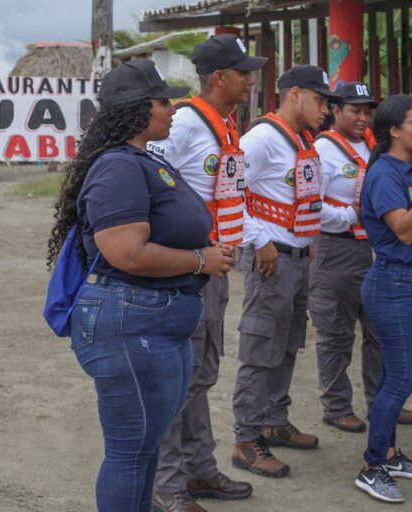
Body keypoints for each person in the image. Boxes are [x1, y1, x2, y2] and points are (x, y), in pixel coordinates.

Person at [46, 58, 234, 512]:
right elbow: (125, 252)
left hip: (152, 323)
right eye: (163, 101)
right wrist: (199, 259)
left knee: (145, 448)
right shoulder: (118, 167)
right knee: (130, 452)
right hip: (130, 324)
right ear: (136, 109)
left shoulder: (140, 159)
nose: (173, 109)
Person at [146, 34, 266, 512]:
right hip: (189, 269)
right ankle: (168, 485)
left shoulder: (226, 125)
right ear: (219, 77)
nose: (251, 80)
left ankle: (198, 471)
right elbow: (151, 185)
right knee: (181, 378)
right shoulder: (185, 124)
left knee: (203, 374)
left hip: (214, 268)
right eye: (243, 72)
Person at [231, 64, 341, 478]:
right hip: (271, 258)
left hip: (296, 257)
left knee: (288, 345)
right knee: (259, 350)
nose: (326, 110)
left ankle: (273, 420)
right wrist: (258, 239)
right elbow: (228, 193)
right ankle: (245, 439)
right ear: (295, 94)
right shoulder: (261, 139)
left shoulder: (300, 140)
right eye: (320, 100)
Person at [354, 95, 412, 503]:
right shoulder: (385, 175)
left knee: (395, 374)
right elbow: (405, 231)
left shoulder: (405, 172)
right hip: (395, 285)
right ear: (394, 130)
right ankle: (373, 465)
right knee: (403, 378)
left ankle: (389, 455)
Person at [311, 81, 412, 433]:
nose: (362, 117)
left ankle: (382, 401)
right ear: (335, 111)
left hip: (375, 249)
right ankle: (337, 405)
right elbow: (312, 207)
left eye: (367, 111)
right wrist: (354, 215)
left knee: (379, 331)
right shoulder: (321, 151)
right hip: (337, 248)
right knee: (336, 333)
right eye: (354, 110)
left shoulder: (376, 147)